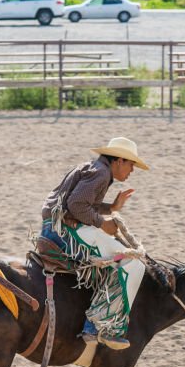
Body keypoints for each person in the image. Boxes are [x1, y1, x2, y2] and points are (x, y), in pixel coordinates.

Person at [40, 137, 150, 350]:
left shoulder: (95, 169)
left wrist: (111, 207)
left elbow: (77, 203)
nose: (132, 171)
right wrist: (102, 223)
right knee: (134, 263)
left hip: (53, 229)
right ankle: (100, 326)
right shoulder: (101, 173)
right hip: (65, 234)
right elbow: (76, 204)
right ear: (118, 160)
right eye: (131, 164)